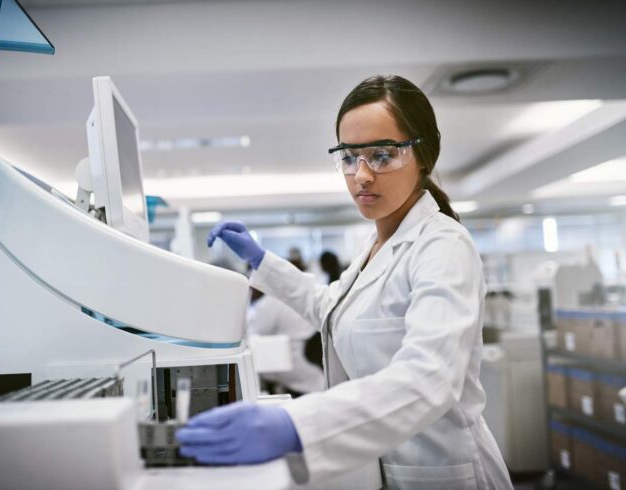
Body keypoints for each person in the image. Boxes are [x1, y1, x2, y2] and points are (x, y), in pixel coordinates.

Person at [177, 75, 513, 490]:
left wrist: (296, 426)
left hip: (440, 471)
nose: (362, 175)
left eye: (382, 155)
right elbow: (328, 306)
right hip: (383, 468)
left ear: (423, 155)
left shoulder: (443, 246)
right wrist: (261, 261)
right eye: (349, 157)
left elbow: (431, 377)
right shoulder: (376, 247)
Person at [247, 287, 324, 396]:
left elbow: (251, 336)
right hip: (309, 367)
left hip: (295, 364)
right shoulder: (285, 297)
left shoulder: (269, 303)